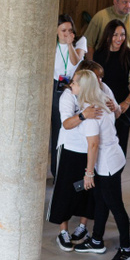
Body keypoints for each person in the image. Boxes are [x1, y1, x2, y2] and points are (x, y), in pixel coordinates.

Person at [77, 80, 130, 260]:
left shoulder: (92, 112)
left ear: (83, 87)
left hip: (108, 164)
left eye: (75, 82)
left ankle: (127, 248)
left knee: (115, 206)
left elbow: (93, 145)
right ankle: (96, 239)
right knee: (100, 200)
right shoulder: (101, 99)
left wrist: (88, 174)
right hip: (111, 158)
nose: (71, 85)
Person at [51, 67, 102, 250]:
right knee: (65, 190)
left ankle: (82, 227)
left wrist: (114, 107)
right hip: (69, 148)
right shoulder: (68, 96)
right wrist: (83, 115)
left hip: (88, 150)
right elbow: (66, 124)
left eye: (73, 82)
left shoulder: (99, 95)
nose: (70, 84)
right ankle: (63, 231)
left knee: (86, 189)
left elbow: (113, 112)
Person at [93, 21, 130, 151]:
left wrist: (127, 101)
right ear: (108, 36)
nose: (119, 38)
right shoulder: (99, 54)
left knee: (121, 142)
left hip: (122, 102)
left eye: (122, 35)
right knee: (102, 141)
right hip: (103, 102)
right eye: (115, 35)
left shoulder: (128, 54)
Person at [51, 16, 87, 161]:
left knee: (75, 122)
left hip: (75, 85)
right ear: (56, 31)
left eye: (70, 30)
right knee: (58, 125)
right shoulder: (52, 44)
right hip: (56, 85)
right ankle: (56, 165)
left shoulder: (80, 41)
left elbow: (75, 62)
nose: (67, 34)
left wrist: (69, 44)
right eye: (63, 30)